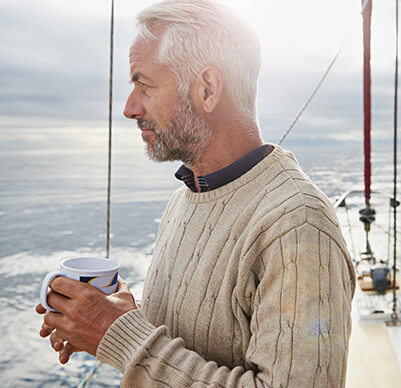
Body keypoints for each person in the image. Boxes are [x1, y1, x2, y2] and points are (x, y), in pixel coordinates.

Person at [36, 0, 356, 386]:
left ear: (206, 88)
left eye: (143, 84)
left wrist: (121, 337)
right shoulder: (185, 199)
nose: (129, 107)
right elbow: (188, 337)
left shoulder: (298, 225)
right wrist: (108, 320)